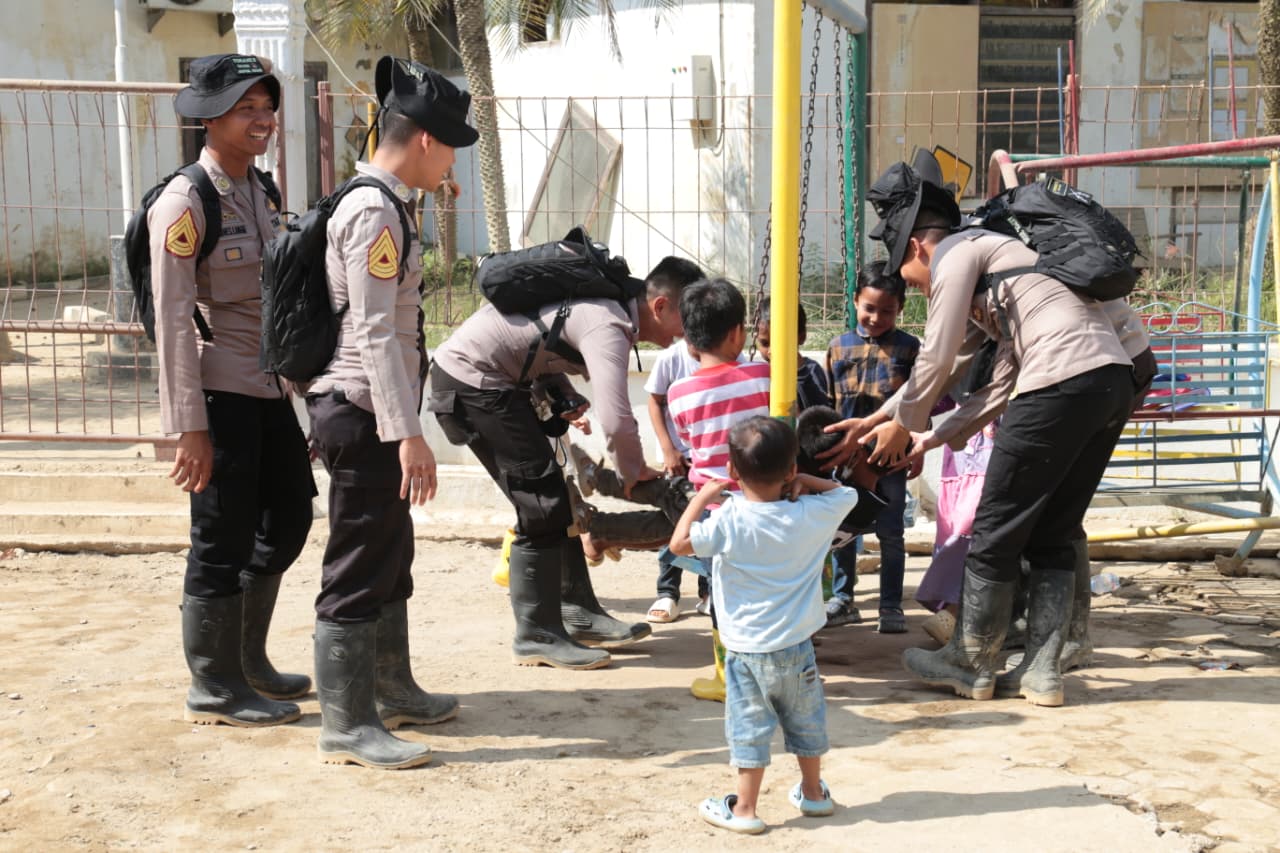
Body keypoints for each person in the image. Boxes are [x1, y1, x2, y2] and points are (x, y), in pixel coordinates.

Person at [823, 151, 1142, 707]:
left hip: (1059, 384)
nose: (920, 289)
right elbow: (993, 386)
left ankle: (970, 663)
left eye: (910, 279)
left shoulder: (955, 251)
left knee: (993, 532)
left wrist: (903, 426)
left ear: (917, 248)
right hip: (1110, 383)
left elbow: (936, 354)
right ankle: (1042, 674)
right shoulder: (1012, 274)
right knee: (1052, 532)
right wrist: (896, 426)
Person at [305, 55, 477, 769]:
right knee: (358, 559)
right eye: (450, 150)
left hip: (371, 408)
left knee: (388, 552)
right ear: (426, 140)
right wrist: (407, 434)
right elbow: (376, 332)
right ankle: (347, 724)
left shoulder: (386, 201)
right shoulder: (375, 210)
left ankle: (389, 688)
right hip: (363, 411)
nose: (451, 165)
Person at [428, 239, 688, 674]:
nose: (687, 333)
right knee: (541, 503)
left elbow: (538, 340)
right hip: (473, 382)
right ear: (660, 306)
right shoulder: (609, 322)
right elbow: (617, 418)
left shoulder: (606, 307)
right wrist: (633, 470)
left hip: (493, 380)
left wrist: (561, 391)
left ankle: (577, 613)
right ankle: (536, 635)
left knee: (555, 500)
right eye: (686, 319)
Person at [152, 54, 314, 729]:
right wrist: (188, 427)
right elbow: (171, 320)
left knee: (291, 517)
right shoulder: (186, 202)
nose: (263, 119)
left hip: (269, 387)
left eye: (267, 107)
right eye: (247, 108)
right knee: (221, 537)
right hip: (219, 394)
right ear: (210, 118)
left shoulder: (260, 190)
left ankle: (246, 661)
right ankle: (214, 685)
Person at [670, 416, 860, 834]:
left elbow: (679, 544)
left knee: (750, 728)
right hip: (798, 647)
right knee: (806, 720)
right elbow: (847, 493)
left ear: (732, 470)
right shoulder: (813, 511)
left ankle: (745, 809)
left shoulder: (729, 518)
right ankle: (814, 793)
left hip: (746, 652)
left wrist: (701, 499)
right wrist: (806, 481)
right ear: (791, 469)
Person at [666, 277, 772, 701]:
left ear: (689, 340)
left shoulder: (679, 393)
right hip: (765, 501)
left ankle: (728, 678)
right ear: (738, 333)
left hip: (715, 509)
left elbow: (688, 440)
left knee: (723, 596)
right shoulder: (764, 375)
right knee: (769, 590)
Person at [823, 262, 919, 634]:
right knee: (844, 530)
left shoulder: (910, 348)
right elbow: (829, 402)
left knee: (891, 533)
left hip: (890, 457)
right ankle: (843, 599)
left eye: (887, 311)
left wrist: (918, 446)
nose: (876, 318)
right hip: (847, 456)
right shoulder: (838, 347)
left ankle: (890, 605)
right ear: (854, 301)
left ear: (901, 308)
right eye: (869, 308)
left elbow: (919, 402)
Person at [753, 298, 829, 412]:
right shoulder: (762, 375)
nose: (771, 351)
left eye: (780, 343)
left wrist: (799, 373)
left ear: (801, 337)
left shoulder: (811, 372)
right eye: (765, 343)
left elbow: (820, 413)